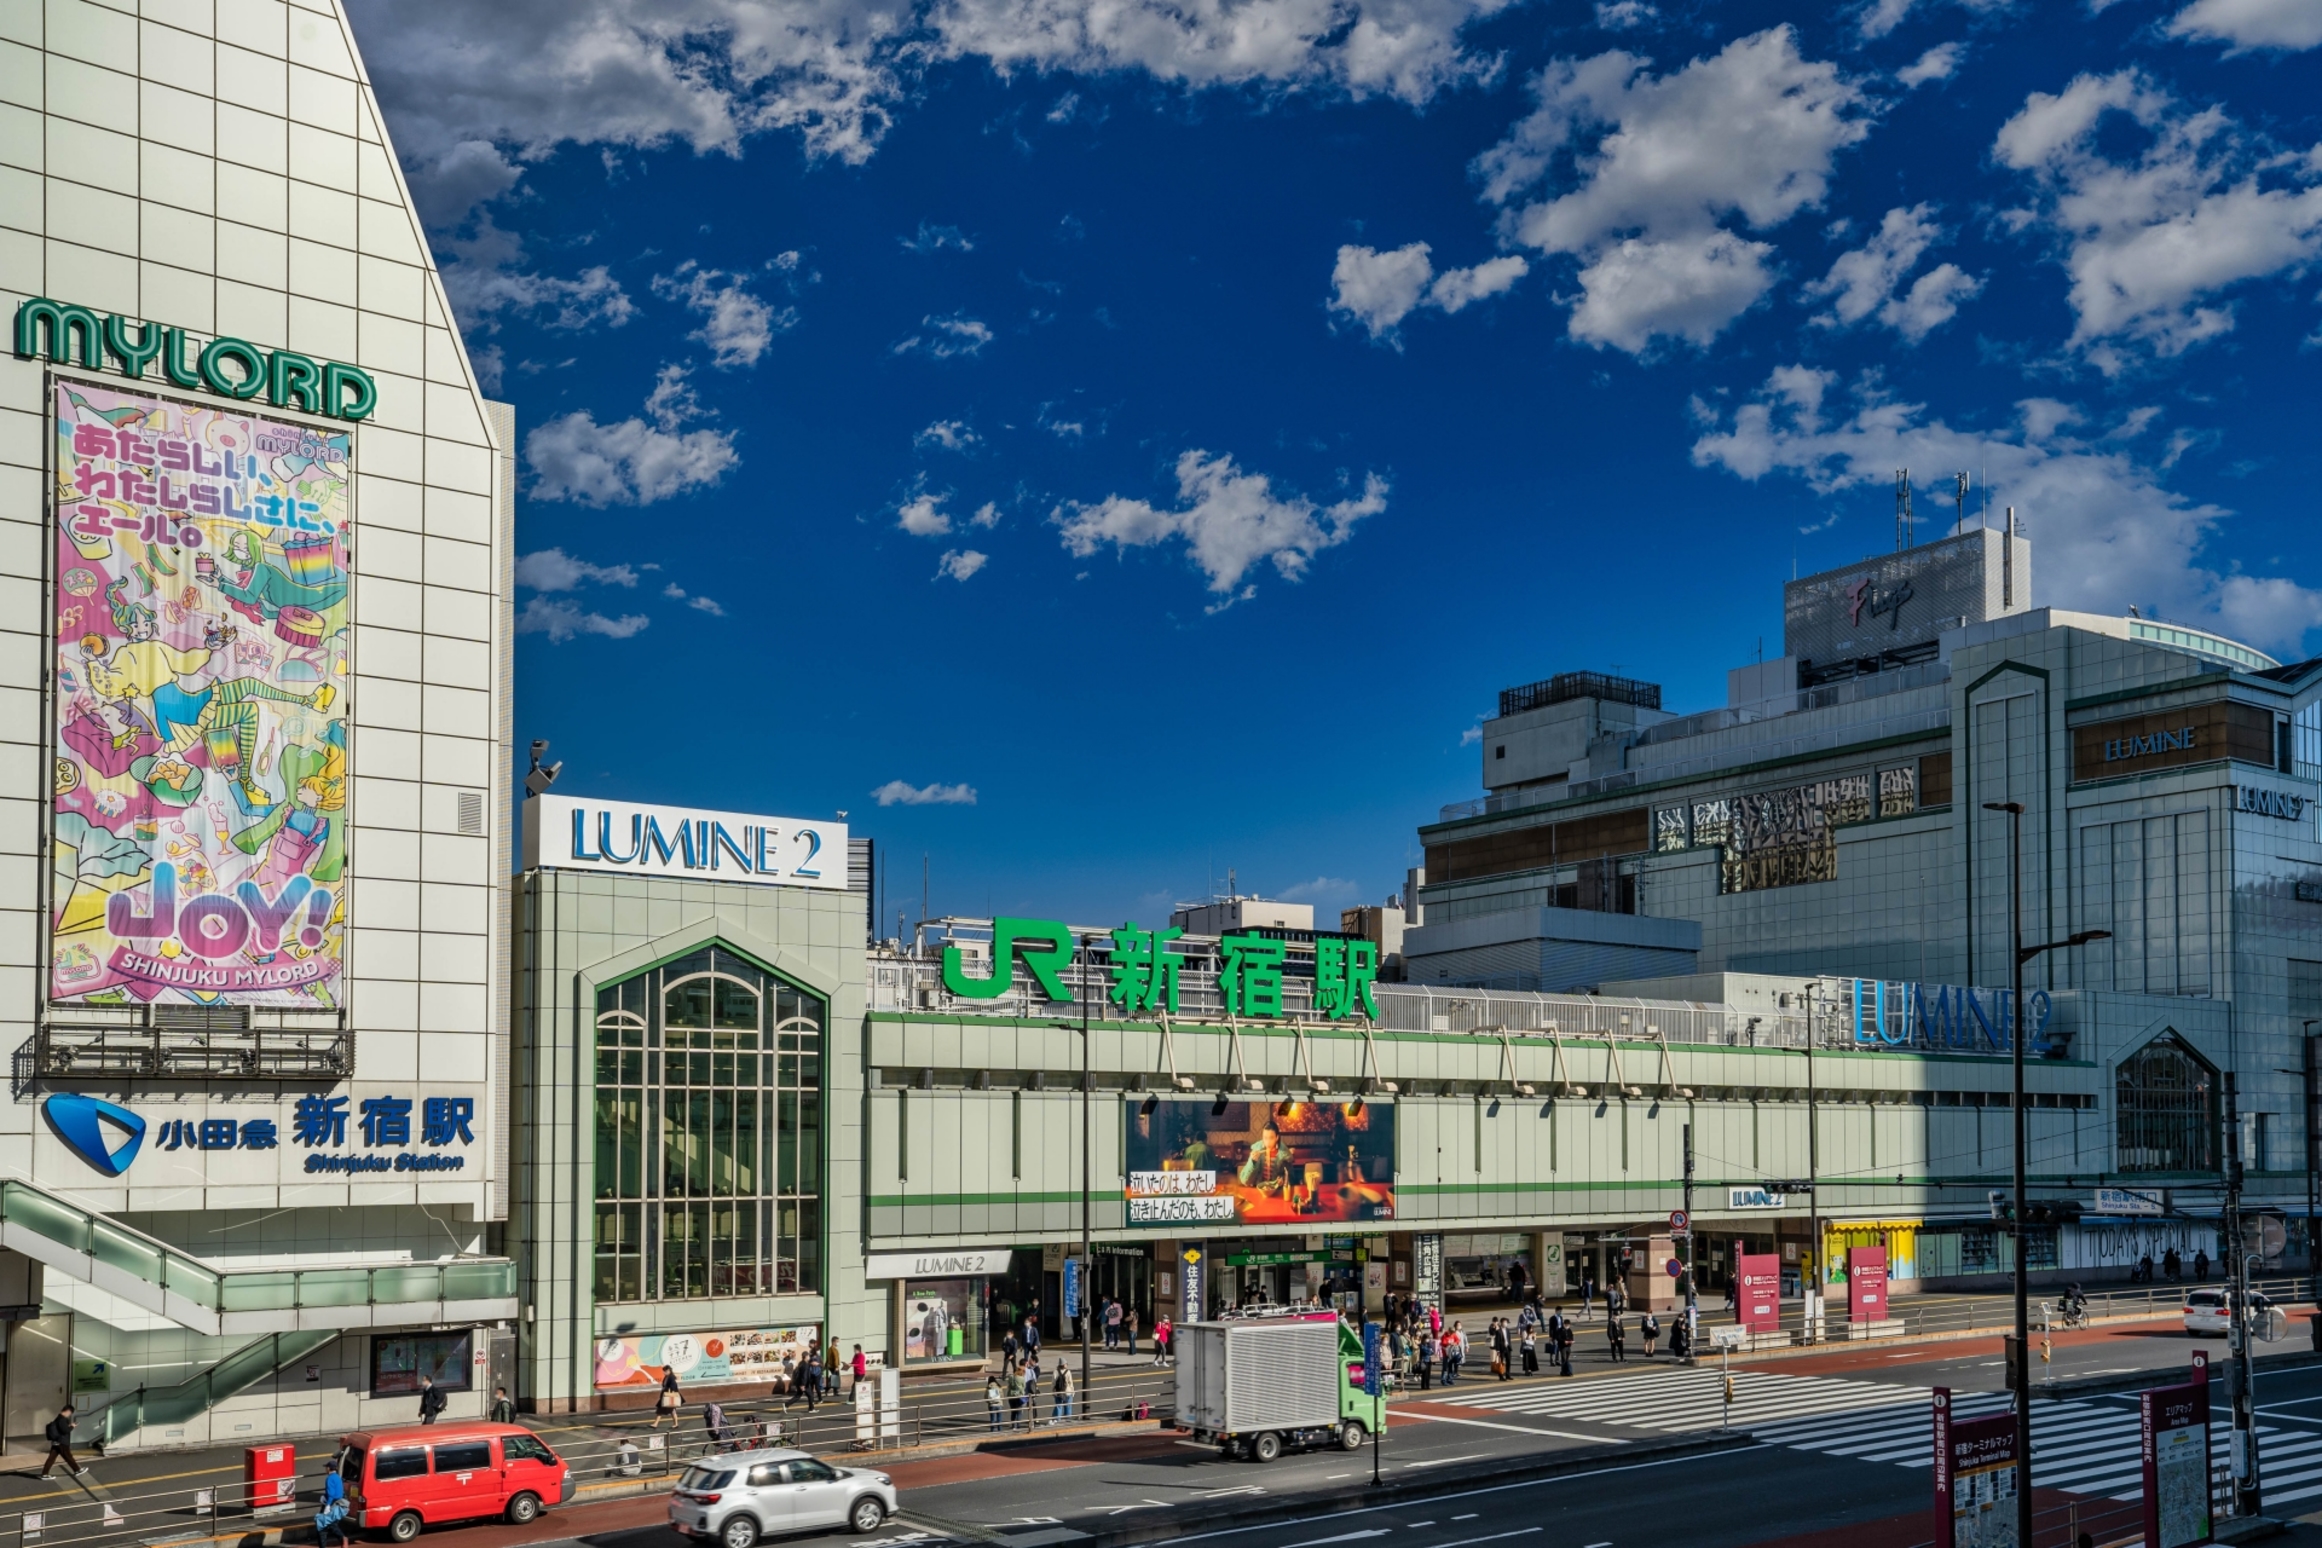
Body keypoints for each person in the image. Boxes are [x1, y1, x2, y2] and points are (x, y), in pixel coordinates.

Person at [40, 1405, 83, 1479]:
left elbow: (61, 1428)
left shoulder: (58, 1418)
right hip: (62, 1442)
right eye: (70, 1413)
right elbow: (65, 1431)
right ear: (68, 1411)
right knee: (68, 1457)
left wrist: (68, 1426)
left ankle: (44, 1474)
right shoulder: (62, 1419)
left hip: (56, 1441)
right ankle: (77, 1470)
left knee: (51, 1458)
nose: (69, 1415)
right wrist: (72, 1426)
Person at [315, 1466, 351, 1548]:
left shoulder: (329, 1479)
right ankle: (342, 1538)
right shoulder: (338, 1477)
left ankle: (342, 1538)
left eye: (326, 1467)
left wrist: (327, 1505)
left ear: (329, 1468)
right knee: (330, 1524)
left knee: (322, 1526)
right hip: (338, 1505)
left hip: (331, 1504)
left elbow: (331, 1494)